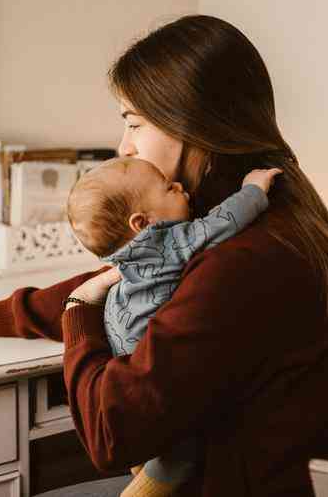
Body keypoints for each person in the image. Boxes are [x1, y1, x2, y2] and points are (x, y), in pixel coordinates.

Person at [0, 14, 328, 496]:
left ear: (191, 124)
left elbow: (110, 435)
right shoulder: (259, 210)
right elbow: (120, 285)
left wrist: (78, 319)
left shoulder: (240, 262)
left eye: (134, 124)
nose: (124, 145)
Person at [66, 156, 281, 496]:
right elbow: (220, 222)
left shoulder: (122, 258)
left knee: (150, 446)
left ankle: (140, 472)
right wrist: (254, 187)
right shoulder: (169, 244)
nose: (180, 187)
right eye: (168, 187)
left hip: (120, 343)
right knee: (183, 450)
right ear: (143, 222)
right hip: (146, 352)